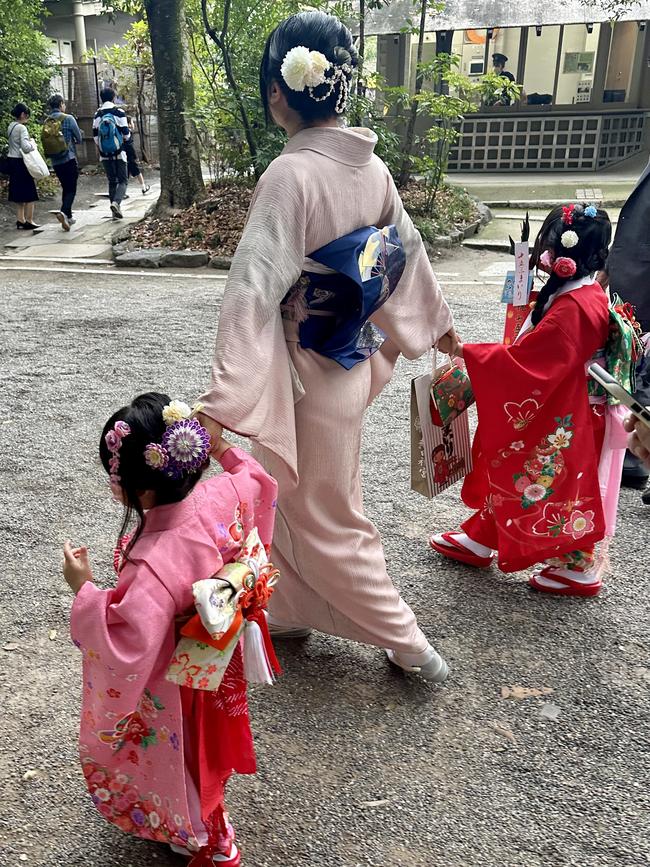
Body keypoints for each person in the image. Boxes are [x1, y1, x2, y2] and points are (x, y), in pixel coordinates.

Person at [197, 11, 458, 683]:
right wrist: (439, 324)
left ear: (278, 93)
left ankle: (408, 641)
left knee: (326, 510)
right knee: (285, 496)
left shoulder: (291, 174)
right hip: (345, 360)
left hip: (307, 376)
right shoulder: (370, 168)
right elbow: (407, 252)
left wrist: (226, 395)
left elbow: (255, 285)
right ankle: (288, 605)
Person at [62, 392, 279, 866]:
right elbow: (256, 478)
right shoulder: (222, 495)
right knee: (206, 749)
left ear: (139, 491)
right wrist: (221, 448)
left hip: (178, 677)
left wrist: (85, 592)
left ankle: (209, 838)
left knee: (183, 756)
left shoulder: (154, 559)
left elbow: (125, 641)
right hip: (219, 655)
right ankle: (203, 825)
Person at [430, 203, 639, 598]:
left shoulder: (572, 309)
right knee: (532, 471)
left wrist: (466, 352)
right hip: (572, 405)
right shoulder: (585, 291)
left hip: (567, 412)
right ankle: (484, 534)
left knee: (539, 474)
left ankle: (578, 567)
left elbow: (526, 365)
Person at [597, 158, 650, 501]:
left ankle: (636, 452)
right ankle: (635, 452)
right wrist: (607, 268)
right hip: (633, 274)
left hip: (643, 281)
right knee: (637, 368)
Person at [42, 94, 83, 231]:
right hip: (69, 158)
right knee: (71, 188)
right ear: (60, 104)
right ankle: (64, 212)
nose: (64, 106)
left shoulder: (47, 121)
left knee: (66, 186)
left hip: (55, 161)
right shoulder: (68, 118)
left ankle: (68, 217)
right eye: (63, 103)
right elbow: (79, 138)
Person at [92, 87, 131, 219]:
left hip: (104, 154)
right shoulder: (119, 112)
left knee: (111, 181)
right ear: (114, 97)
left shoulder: (98, 114)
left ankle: (114, 213)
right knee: (123, 180)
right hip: (120, 152)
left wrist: (102, 147)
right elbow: (126, 134)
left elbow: (95, 137)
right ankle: (116, 203)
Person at [6, 103, 40, 230]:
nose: (28, 118)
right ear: (22, 114)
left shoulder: (11, 126)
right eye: (27, 115)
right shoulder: (22, 128)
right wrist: (33, 144)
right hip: (21, 163)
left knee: (18, 192)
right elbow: (25, 147)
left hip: (12, 161)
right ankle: (29, 220)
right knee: (30, 191)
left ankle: (20, 219)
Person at [124, 116, 151, 195]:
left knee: (125, 174)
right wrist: (135, 157)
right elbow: (130, 146)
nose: (133, 124)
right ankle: (143, 187)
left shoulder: (122, 133)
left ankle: (123, 191)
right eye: (132, 122)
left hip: (124, 156)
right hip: (130, 156)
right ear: (129, 124)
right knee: (137, 172)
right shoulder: (128, 133)